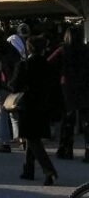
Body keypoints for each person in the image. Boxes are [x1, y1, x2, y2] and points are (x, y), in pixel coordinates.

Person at [10, 36, 58, 186]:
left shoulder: (24, 65)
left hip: (28, 106)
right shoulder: (49, 65)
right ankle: (28, 170)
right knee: (32, 138)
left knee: (33, 140)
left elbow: (14, 86)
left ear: (29, 49)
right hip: (43, 106)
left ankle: (48, 170)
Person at [56, 27, 89, 162]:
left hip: (68, 88)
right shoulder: (86, 50)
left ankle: (66, 148)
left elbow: (50, 62)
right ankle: (88, 150)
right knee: (86, 121)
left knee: (68, 120)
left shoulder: (63, 50)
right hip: (85, 88)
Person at [0, 29, 20, 153]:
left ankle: (5, 143)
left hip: (2, 86)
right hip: (14, 85)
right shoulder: (12, 49)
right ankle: (20, 139)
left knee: (2, 116)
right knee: (15, 114)